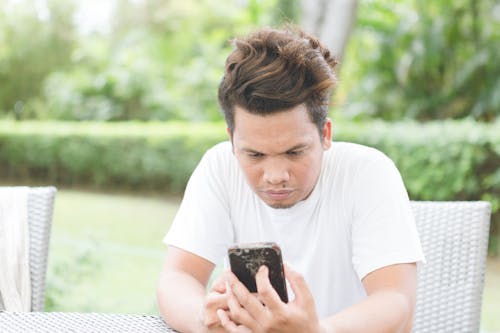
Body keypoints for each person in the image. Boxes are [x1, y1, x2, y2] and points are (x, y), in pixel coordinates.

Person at [157, 26, 424, 333]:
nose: (275, 177)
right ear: (232, 140)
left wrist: (317, 331)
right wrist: (204, 321)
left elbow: (395, 300)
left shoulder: (368, 173)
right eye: (254, 155)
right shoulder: (220, 166)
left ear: (325, 134)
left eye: (295, 152)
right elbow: (178, 277)